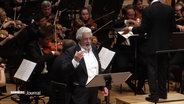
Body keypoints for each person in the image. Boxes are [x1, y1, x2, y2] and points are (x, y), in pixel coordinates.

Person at [123, 0, 176, 102]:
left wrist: (130, 29)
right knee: (162, 70)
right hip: (165, 46)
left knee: (152, 70)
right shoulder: (169, 9)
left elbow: (143, 29)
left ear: (149, 1)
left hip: (152, 46)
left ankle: (154, 95)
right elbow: (172, 28)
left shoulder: (148, 10)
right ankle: (163, 94)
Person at [60, 27, 108, 104]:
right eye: (85, 39)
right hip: (79, 91)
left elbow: (97, 70)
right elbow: (64, 70)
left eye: (90, 39)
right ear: (79, 39)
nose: (88, 41)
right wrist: (75, 61)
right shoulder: (71, 51)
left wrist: (103, 86)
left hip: (94, 90)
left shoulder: (94, 49)